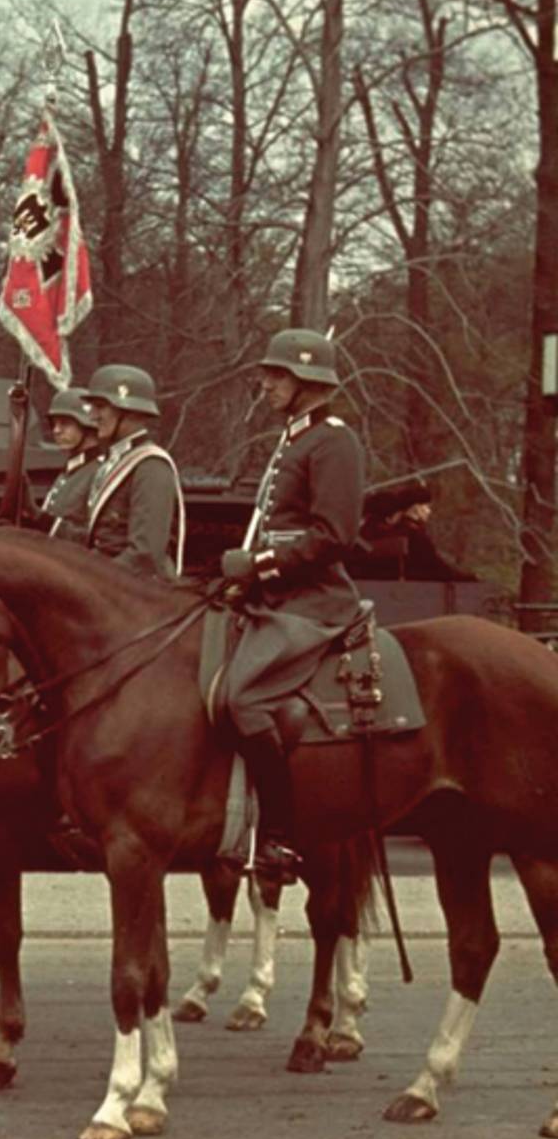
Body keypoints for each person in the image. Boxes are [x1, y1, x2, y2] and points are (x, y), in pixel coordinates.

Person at [217, 328, 366, 887]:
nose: (266, 383)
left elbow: (334, 536)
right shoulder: (293, 439)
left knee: (243, 695)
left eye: (277, 375)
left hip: (313, 600)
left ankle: (279, 834)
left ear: (307, 382)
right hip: (275, 596)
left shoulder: (333, 441)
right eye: (269, 373)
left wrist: (260, 567)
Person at [82, 363, 185, 578]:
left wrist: (88, 577)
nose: (92, 416)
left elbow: (144, 556)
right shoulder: (116, 460)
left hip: (132, 594)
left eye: (100, 406)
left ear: (128, 411)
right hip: (110, 583)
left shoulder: (151, 466)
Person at [354, 477, 476, 582]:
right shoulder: (413, 534)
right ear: (415, 508)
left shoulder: (361, 536)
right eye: (426, 506)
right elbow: (435, 566)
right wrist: (465, 578)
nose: (429, 511)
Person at [40, 387, 103, 545]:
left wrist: (43, 521)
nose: (56, 430)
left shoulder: (100, 472)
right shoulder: (72, 469)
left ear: (87, 427)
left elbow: (96, 539)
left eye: (65, 423)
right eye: (54, 424)